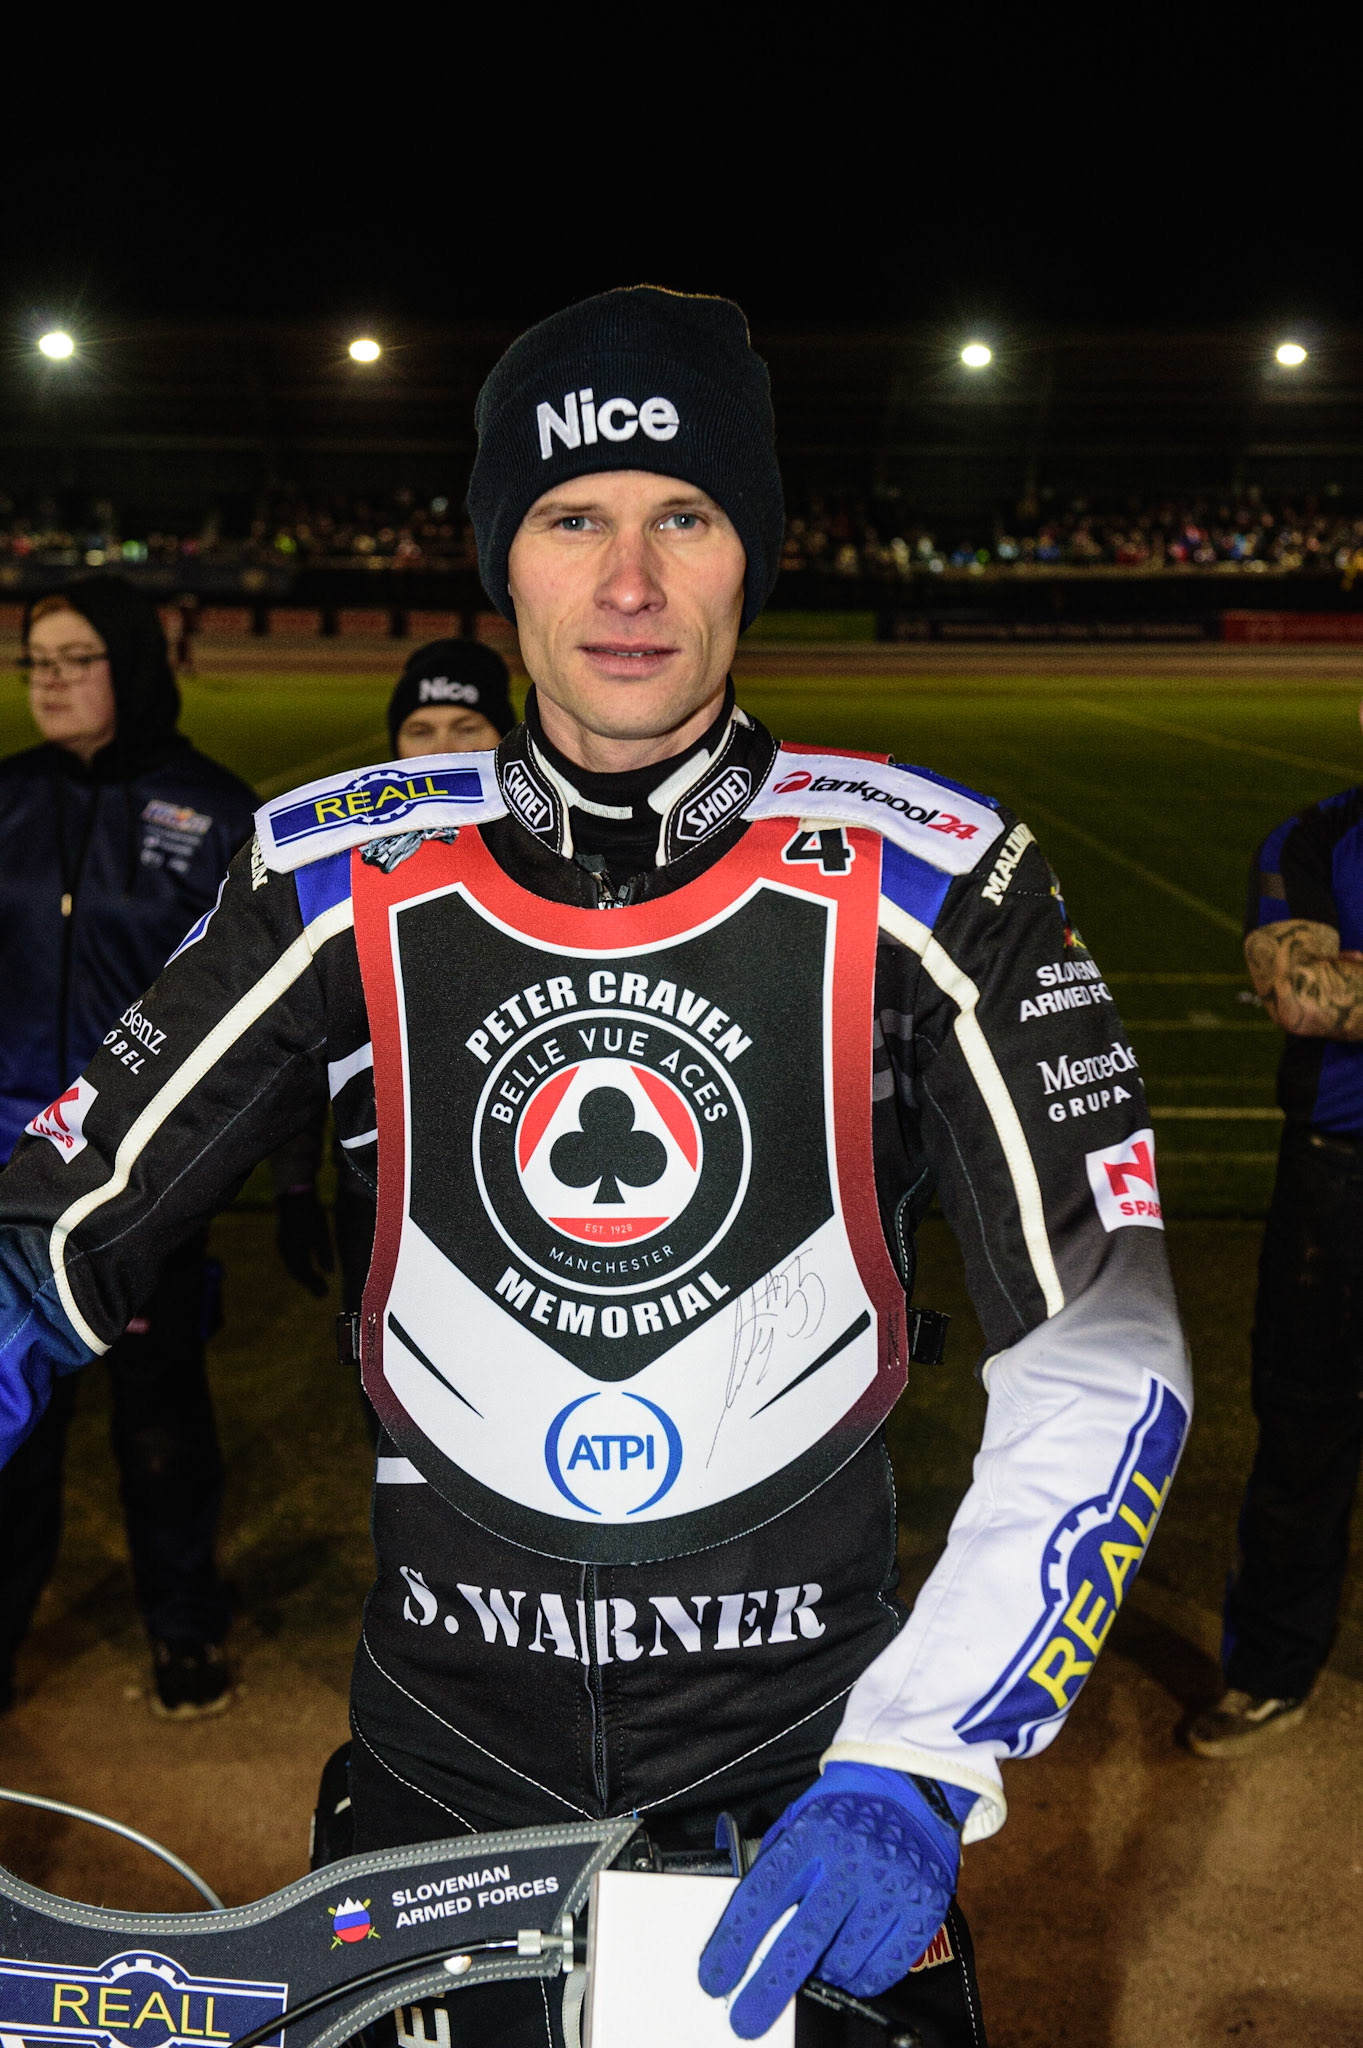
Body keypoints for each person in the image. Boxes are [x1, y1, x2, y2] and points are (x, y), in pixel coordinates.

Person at [0, 291, 1190, 2042]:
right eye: (571, 519)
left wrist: (919, 1755)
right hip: (437, 1790)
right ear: (503, 561)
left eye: (682, 516)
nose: (627, 582)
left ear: (751, 552)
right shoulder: (331, 871)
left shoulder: (941, 880)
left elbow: (1106, 1352)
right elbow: (49, 1235)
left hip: (807, 1785)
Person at [0, 578, 258, 1718]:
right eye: (37, 661)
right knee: (15, 1414)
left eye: (76, 658)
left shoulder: (216, 812)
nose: (50, 681)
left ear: (134, 665)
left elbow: (256, 1018)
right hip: (9, 1181)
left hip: (145, 1183)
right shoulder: (6, 799)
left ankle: (183, 1623)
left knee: (160, 1419)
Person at [1188, 749, 1363, 1758]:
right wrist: (1326, 982)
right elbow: (1300, 994)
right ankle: (1269, 1669)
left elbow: (1336, 987)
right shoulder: (1312, 840)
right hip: (1336, 1181)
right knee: (1302, 1430)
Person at [272, 638, 517, 1342]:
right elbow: (304, 1037)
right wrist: (295, 1184)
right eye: (420, 729)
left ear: (506, 739)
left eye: (466, 728)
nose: (441, 749)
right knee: (387, 1387)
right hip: (376, 1196)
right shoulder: (343, 871)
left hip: (517, 1197)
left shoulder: (553, 859)